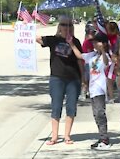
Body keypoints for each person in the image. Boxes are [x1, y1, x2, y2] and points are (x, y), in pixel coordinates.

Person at [36, 16, 83, 145]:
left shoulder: (76, 41)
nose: (66, 27)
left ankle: (67, 136)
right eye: (63, 25)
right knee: (56, 107)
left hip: (73, 79)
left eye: (68, 25)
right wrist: (27, 26)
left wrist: (84, 79)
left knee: (71, 107)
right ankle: (54, 137)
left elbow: (80, 59)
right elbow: (38, 39)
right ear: (59, 26)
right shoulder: (53, 40)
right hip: (57, 78)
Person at [70, 32, 112, 150]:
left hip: (100, 89)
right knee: (96, 115)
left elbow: (105, 63)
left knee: (100, 113)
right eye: (93, 42)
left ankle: (105, 139)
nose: (94, 43)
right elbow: (80, 56)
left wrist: (103, 50)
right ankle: (101, 136)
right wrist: (71, 44)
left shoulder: (107, 56)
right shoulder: (92, 55)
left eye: (97, 41)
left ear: (103, 43)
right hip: (92, 89)